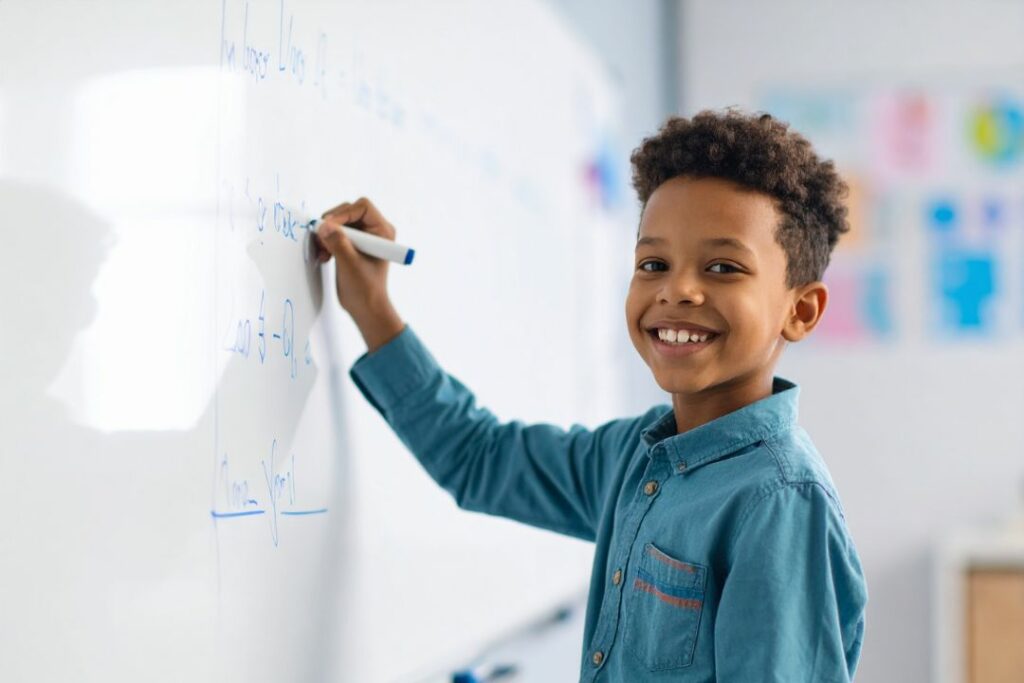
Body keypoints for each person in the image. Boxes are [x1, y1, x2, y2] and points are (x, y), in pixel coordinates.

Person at [314, 108, 868, 682]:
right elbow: (479, 459)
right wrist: (373, 310)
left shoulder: (780, 503)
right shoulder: (632, 456)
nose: (676, 289)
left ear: (800, 311)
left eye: (723, 267)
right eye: (653, 263)